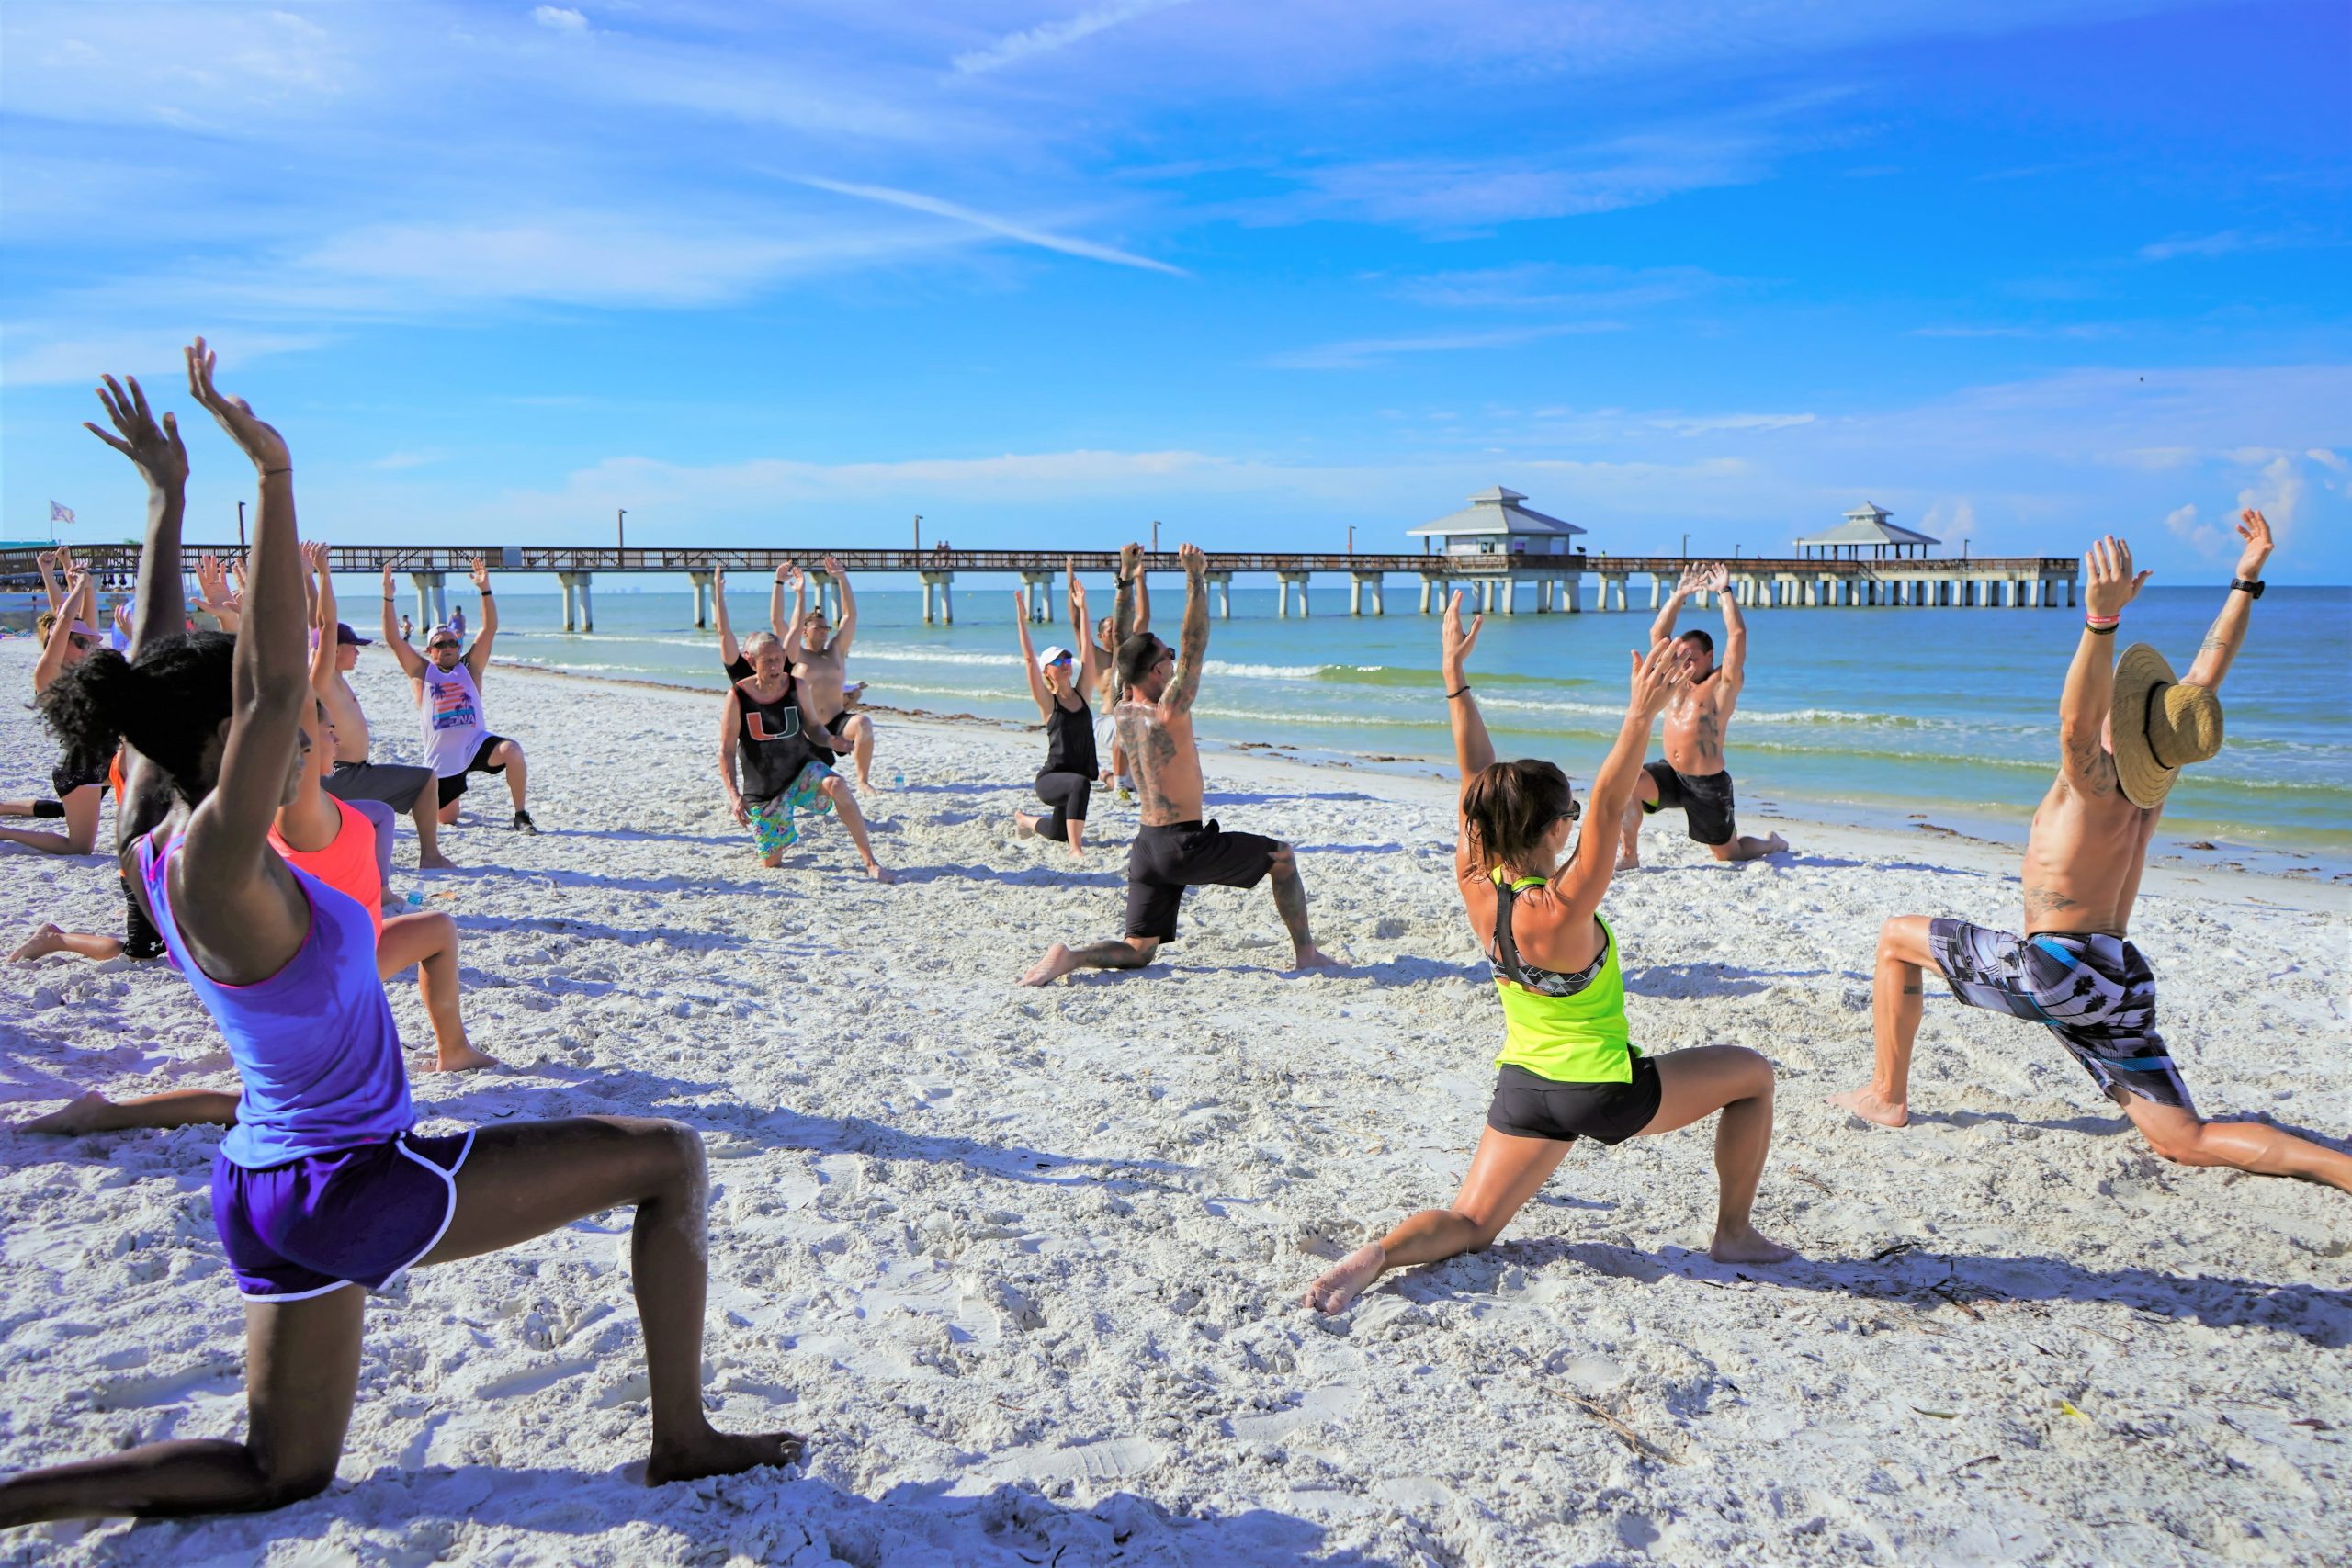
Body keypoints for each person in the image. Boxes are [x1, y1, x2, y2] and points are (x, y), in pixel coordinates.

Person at [0, 340, 793, 1530]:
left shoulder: (151, 819)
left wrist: (166, 501)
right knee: (666, 1156)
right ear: (232, 740)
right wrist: (271, 474)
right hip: (351, 1175)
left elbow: (176, 669)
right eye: (285, 718)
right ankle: (681, 1436)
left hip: (267, 1181)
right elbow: (266, 684)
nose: (308, 720)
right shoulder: (218, 854)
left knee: (281, 1471)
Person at [1302, 596, 1794, 1314]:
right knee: (1753, 1075)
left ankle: (1380, 1252)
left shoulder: (1476, 881)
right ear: (1554, 830)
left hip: (1525, 1089)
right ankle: (1734, 1232)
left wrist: (1454, 677)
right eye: (1566, 813)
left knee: (1471, 1224)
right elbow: (1607, 809)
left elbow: (1480, 781)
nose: (1575, 819)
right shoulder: (1563, 906)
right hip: (1603, 1092)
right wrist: (1637, 718)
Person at [1832, 520, 2351, 1191]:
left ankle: (1886, 1094)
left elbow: (2075, 723)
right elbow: (2204, 676)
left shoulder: (2096, 778)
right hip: (2120, 980)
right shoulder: (2154, 778)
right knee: (2182, 1139)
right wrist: (2245, 579)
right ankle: (2339, 1168)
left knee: (1896, 939)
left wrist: (2101, 620)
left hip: (2055, 969)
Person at [1020, 543, 1336, 985]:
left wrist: (1126, 581)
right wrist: (1196, 579)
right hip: (1183, 845)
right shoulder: (1171, 711)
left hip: (1147, 846)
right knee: (1282, 857)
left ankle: (1071, 957)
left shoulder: (1120, 707)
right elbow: (1195, 644)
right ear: (1156, 672)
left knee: (1138, 949)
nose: (1173, 660)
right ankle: (1306, 953)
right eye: (1166, 658)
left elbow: (1127, 642)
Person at [1617, 562, 1788, 868]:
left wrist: (1724, 592)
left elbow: (1737, 634)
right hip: (1671, 774)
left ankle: (1770, 843)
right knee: (1628, 780)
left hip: (1708, 785)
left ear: (1710, 656)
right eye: (1680, 657)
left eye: (1691, 658)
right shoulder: (1675, 679)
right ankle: (1630, 856)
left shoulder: (1723, 683)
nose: (1684, 663)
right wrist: (1680, 594)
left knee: (1729, 855)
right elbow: (1658, 632)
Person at [294, 544, 454, 869]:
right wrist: (324, 575)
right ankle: (431, 856)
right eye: (354, 647)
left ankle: (430, 854)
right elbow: (325, 627)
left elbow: (317, 626)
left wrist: (308, 577)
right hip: (341, 776)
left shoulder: (334, 676)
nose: (359, 653)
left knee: (423, 779)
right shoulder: (322, 677)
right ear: (336, 651)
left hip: (353, 773)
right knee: (426, 780)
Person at [718, 631, 892, 881]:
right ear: (751, 661)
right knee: (772, 862)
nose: (776, 665)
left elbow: (813, 727)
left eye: (778, 659)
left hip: (801, 770)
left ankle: (870, 862)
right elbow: (725, 749)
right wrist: (734, 794)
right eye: (767, 660)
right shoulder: (738, 697)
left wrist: (831, 740)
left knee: (837, 784)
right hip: (765, 788)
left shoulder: (797, 686)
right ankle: (776, 837)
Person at [380, 558, 536, 834]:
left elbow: (489, 630)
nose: (450, 646)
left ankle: (521, 815)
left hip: (477, 744)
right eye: (442, 644)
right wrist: (388, 598)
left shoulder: (470, 667)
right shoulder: (422, 673)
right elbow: (393, 639)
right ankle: (427, 794)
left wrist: (485, 589)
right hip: (443, 759)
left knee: (512, 750)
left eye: (453, 642)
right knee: (448, 819)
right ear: (431, 650)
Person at [1011, 576, 1102, 857]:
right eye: (1059, 661)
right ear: (1047, 671)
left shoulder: (1083, 695)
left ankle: (1025, 820)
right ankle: (1077, 849)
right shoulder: (1049, 703)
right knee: (1079, 784)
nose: (1066, 664)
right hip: (1052, 781)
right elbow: (1028, 659)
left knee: (1058, 833)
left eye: (1067, 659)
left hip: (1073, 781)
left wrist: (1083, 609)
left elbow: (1089, 654)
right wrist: (1022, 620)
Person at [781, 556, 876, 791]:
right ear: (804, 631)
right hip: (807, 727)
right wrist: (785, 588)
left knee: (863, 722)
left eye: (826, 628)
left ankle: (863, 781)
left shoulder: (836, 651)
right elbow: (779, 624)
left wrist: (842, 578)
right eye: (818, 628)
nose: (824, 632)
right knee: (808, 782)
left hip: (836, 722)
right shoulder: (798, 655)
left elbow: (849, 616)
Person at [1089, 548, 1148, 796]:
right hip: (1106, 722)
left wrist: (1140, 579)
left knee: (1140, 785)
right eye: (1111, 630)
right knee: (1125, 725)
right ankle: (1119, 788)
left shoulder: (1130, 650)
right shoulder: (1098, 657)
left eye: (1118, 628)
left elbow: (1143, 616)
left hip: (1132, 721)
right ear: (1101, 636)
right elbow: (1076, 626)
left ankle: (1105, 775)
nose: (1116, 633)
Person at [712, 559, 794, 683]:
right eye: (756, 641)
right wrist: (718, 594)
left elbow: (778, 621)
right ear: (747, 655)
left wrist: (779, 582)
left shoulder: (780, 664)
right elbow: (724, 631)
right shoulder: (740, 670)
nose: (773, 664)